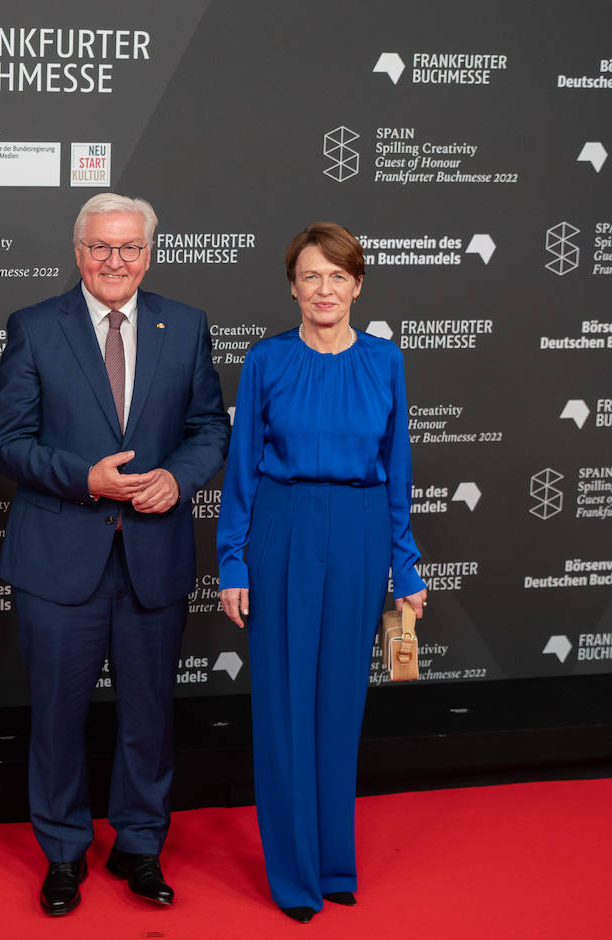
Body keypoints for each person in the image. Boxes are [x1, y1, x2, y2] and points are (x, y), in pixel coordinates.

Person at [0, 193, 230, 916]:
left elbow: (209, 430)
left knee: (149, 716)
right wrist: (84, 479)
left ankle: (139, 845)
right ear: (78, 251)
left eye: (129, 248)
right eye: (100, 247)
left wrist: (176, 478)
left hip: (152, 558)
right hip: (59, 559)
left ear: (149, 254)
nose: (115, 261)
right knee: (57, 717)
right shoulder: (34, 328)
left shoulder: (184, 326)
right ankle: (63, 853)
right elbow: (6, 442)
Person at [216, 222, 427, 923]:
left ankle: (336, 862)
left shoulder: (386, 361)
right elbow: (241, 472)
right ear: (293, 287)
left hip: (363, 531)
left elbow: (397, 471)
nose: (324, 289)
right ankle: (297, 875)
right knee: (283, 707)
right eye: (311, 276)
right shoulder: (267, 361)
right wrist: (232, 562)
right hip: (283, 527)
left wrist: (406, 566)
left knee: (340, 703)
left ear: (358, 284)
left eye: (338, 276)